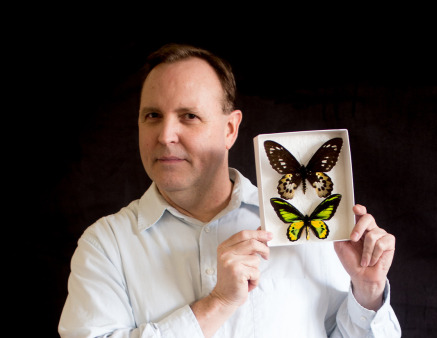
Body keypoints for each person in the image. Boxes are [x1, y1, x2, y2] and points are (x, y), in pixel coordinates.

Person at [59, 43, 401, 337]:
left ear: (230, 129)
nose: (165, 136)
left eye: (189, 116)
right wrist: (217, 304)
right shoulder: (105, 245)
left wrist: (367, 292)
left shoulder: (309, 222)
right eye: (152, 115)